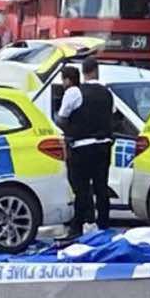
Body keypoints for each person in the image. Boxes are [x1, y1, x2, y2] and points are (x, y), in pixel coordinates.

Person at [54, 59, 116, 236]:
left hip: (82, 146)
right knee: (101, 187)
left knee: (82, 188)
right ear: (97, 71)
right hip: (104, 146)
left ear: (84, 72)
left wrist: (71, 131)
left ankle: (78, 227)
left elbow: (61, 117)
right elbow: (112, 114)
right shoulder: (107, 93)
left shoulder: (75, 92)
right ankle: (104, 225)